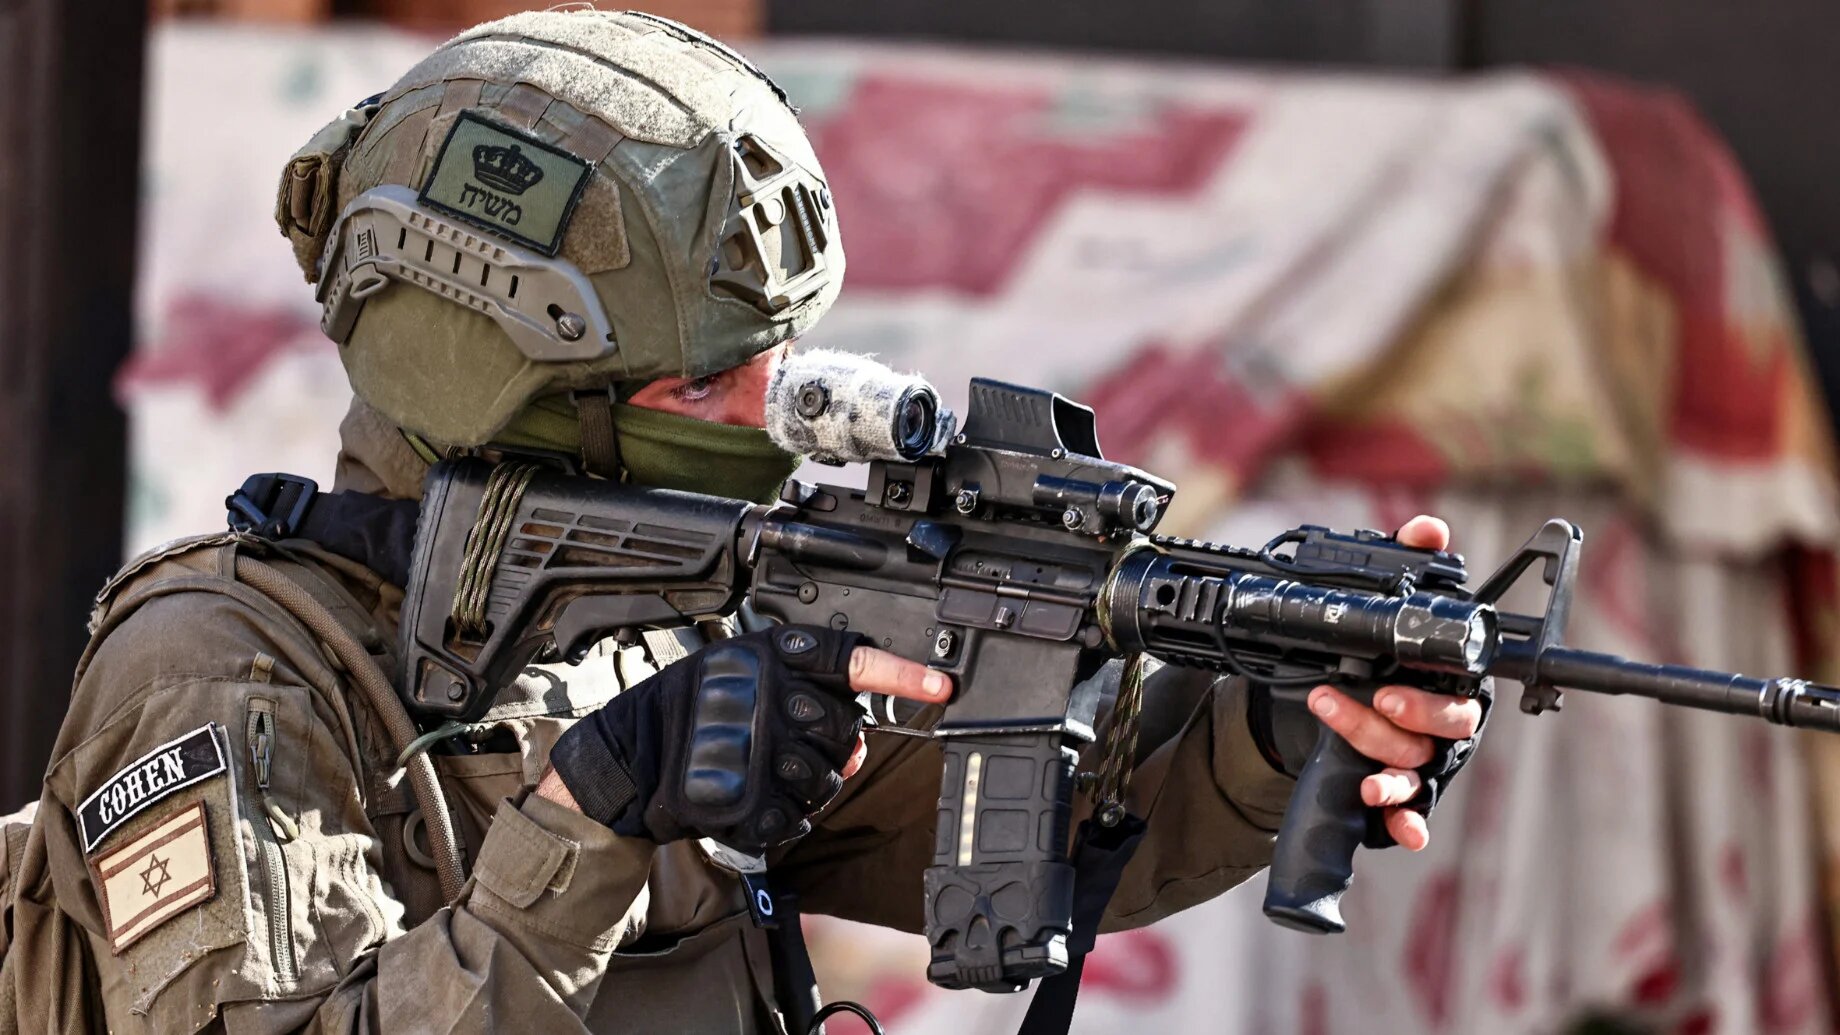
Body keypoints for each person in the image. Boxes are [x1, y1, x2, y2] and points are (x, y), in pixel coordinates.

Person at [0, 10, 1482, 1032]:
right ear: (516, 386)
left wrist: (1272, 725)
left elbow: (1053, 831)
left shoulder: (672, 607)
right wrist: (587, 821)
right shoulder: (224, 674)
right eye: (711, 378)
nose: (775, 415)